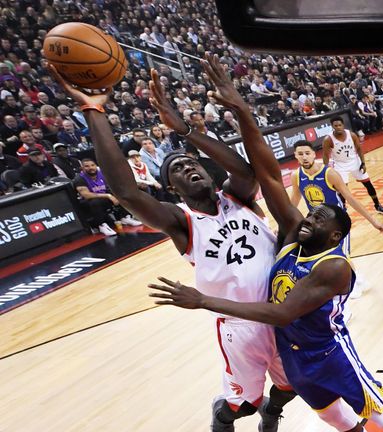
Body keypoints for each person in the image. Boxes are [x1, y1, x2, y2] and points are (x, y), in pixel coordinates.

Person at [148, 54, 383, 432]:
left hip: (327, 354)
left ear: (336, 236)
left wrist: (202, 301)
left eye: (319, 219)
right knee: (337, 420)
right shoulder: (293, 240)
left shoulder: (334, 266)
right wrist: (240, 112)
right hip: (291, 356)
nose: (308, 219)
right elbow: (267, 175)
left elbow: (281, 314)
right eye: (310, 214)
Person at [48, 58, 296, 432]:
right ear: (172, 190)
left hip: (282, 311)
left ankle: (273, 412)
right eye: (177, 170)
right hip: (240, 325)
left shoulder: (238, 197)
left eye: (191, 164)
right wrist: (94, 111)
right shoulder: (182, 222)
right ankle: (222, 413)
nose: (188, 168)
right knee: (242, 405)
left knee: (290, 386)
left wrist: (185, 133)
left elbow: (246, 171)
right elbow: (126, 192)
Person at [292, 140, 383, 299]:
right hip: (317, 224)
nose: (304, 157)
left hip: (337, 221)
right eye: (300, 154)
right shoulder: (296, 176)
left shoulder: (329, 173)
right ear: (295, 156)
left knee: (341, 255)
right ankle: (358, 279)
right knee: (329, 256)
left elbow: (350, 198)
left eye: (307, 153)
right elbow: (293, 204)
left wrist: (374, 222)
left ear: (313, 154)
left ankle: (351, 283)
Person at [322, 117, 383, 214]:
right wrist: (325, 169)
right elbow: (325, 155)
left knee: (368, 184)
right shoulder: (328, 139)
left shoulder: (351, 135)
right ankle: (343, 211)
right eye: (335, 126)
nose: (338, 127)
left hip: (355, 162)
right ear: (332, 126)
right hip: (340, 165)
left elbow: (359, 149)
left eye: (340, 125)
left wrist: (363, 163)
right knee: (342, 190)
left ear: (343, 125)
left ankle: (378, 205)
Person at [73, 158, 143, 236]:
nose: (91, 168)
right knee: (96, 202)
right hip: (88, 201)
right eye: (87, 166)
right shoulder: (79, 178)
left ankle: (125, 217)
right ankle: (101, 225)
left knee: (122, 194)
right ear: (82, 168)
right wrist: (108, 196)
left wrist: (115, 195)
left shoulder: (101, 174)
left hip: (104, 197)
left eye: (93, 165)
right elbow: (86, 195)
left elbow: (111, 186)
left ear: (96, 166)